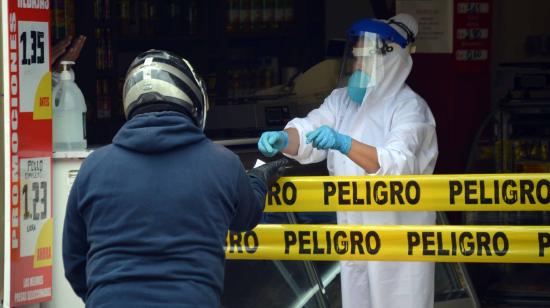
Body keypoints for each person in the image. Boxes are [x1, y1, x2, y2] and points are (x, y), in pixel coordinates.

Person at [62, 49, 288, 307]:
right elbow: (247, 218)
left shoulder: (93, 168)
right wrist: (258, 180)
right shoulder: (223, 163)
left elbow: (74, 261)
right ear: (192, 101)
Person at [257, 14, 438, 308]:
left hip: (399, 246)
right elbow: (308, 130)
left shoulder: (410, 109)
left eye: (364, 60)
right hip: (353, 237)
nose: (356, 67)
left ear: (389, 61)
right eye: (354, 59)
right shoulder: (342, 100)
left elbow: (398, 165)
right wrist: (283, 137)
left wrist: (344, 143)